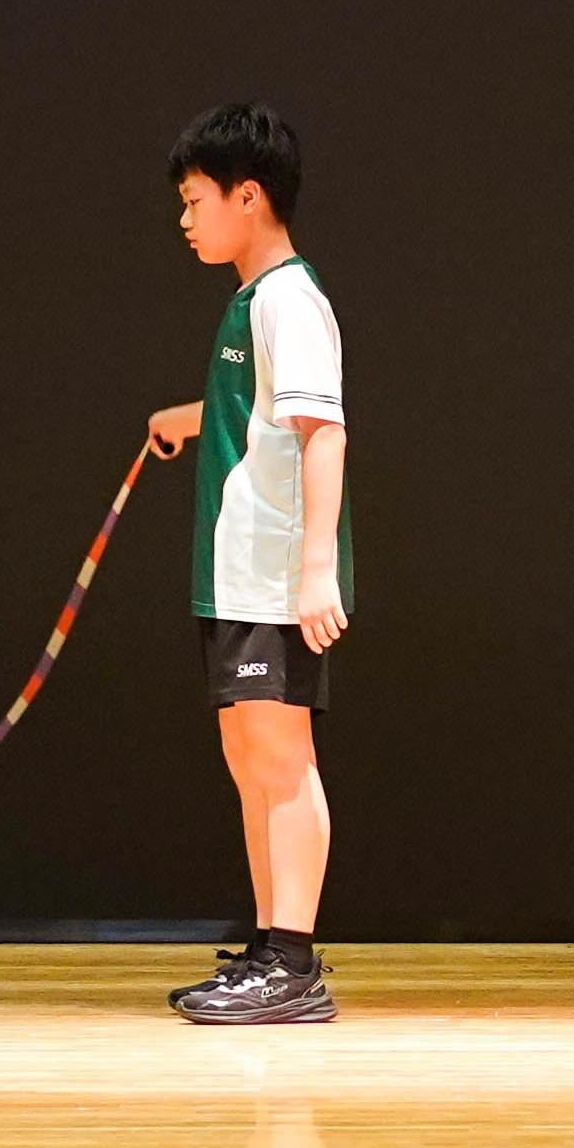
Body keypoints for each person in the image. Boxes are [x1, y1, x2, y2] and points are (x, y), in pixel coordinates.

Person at [143, 99, 350, 1026]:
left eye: (196, 200)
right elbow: (262, 415)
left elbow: (323, 432)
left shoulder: (290, 300)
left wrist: (315, 572)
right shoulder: (250, 301)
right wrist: (189, 420)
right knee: (247, 758)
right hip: (233, 575)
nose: (186, 220)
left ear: (249, 196)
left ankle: (295, 966)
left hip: (274, 576)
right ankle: (269, 947)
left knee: (281, 756)